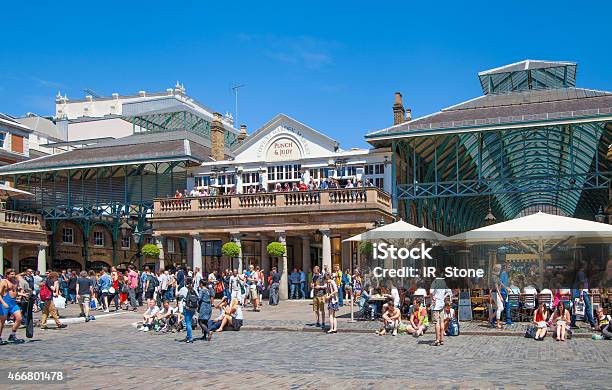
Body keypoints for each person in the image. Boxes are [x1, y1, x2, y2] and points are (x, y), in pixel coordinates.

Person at [0, 269, 27, 344]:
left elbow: (14, 292)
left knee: (19, 318)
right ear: (7, 275)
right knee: (2, 321)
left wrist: (22, 294)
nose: (13, 276)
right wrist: (3, 303)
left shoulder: (15, 282)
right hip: (4, 302)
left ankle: (12, 335)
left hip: (13, 303)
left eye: (14, 274)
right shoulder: (3, 282)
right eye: (11, 274)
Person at [571, 260, 595, 329]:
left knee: (575, 308)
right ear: (584, 266)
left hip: (578, 292)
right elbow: (581, 284)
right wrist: (581, 294)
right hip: (581, 292)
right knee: (588, 307)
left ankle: (572, 323)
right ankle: (592, 324)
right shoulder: (581, 273)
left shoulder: (580, 273)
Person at [430, 278, 452, 346]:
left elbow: (431, 292)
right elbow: (449, 291)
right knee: (442, 321)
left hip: (435, 305)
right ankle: (442, 339)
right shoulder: (443, 282)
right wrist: (444, 297)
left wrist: (433, 296)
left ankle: (437, 340)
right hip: (441, 304)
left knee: (436, 323)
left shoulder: (434, 282)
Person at [178, 277, 197, 343]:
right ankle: (188, 336)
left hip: (187, 307)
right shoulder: (194, 289)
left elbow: (177, 295)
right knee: (189, 321)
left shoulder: (183, 289)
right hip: (194, 308)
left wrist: (176, 287)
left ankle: (190, 337)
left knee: (188, 323)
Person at [489, 264, 504, 329]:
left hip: (496, 293)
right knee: (500, 308)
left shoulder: (497, 276)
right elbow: (496, 287)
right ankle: (497, 323)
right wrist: (500, 296)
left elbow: (501, 283)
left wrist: (506, 288)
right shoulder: (494, 277)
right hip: (495, 293)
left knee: (501, 308)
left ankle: (491, 317)